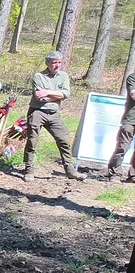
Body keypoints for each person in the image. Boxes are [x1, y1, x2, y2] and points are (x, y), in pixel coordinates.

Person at [26, 51, 85, 180]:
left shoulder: (63, 76)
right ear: (47, 63)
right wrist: (58, 95)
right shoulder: (38, 76)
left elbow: (66, 94)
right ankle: (29, 170)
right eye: (54, 63)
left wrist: (47, 92)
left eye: (59, 62)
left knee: (63, 140)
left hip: (54, 113)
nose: (57, 65)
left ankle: (70, 170)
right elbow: (40, 98)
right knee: (32, 141)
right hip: (37, 112)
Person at [106, 72, 135, 181]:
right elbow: (133, 94)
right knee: (122, 147)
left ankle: (133, 175)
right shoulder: (132, 77)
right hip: (131, 119)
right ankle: (115, 173)